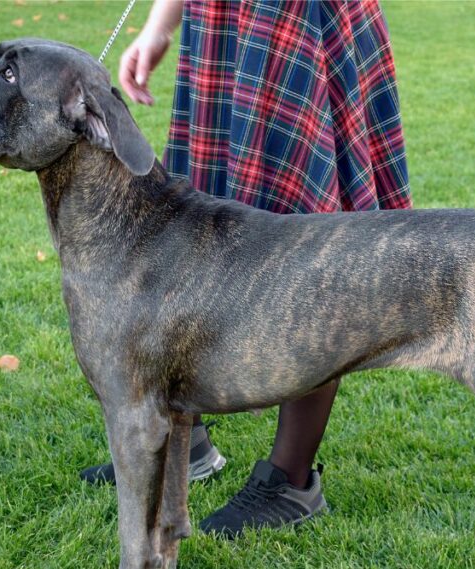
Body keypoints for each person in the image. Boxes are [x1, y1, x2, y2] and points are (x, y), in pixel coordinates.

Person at [80, 0, 412, 538]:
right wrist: (159, 24)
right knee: (198, 232)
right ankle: (186, 446)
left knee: (311, 244)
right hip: (222, 24)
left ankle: (291, 477)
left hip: (300, 19)